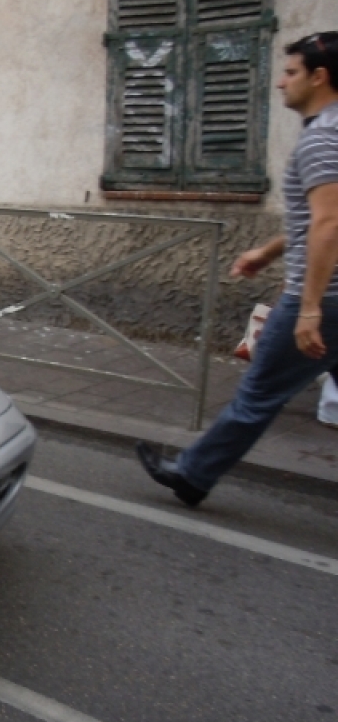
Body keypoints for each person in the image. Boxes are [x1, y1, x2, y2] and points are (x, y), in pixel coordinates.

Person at [137, 31, 338, 506]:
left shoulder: (322, 139)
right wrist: (269, 251)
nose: (280, 83)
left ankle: (193, 474)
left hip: (325, 298)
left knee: (259, 394)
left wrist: (309, 307)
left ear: (319, 76)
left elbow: (329, 223)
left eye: (290, 72)